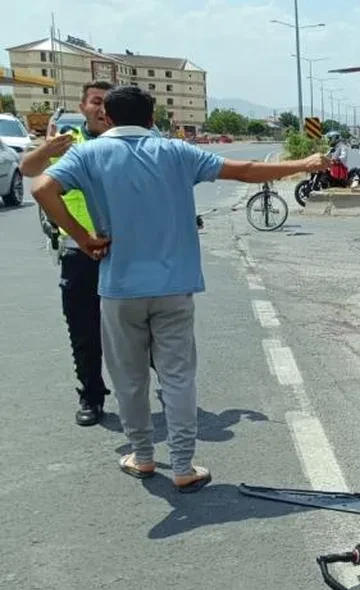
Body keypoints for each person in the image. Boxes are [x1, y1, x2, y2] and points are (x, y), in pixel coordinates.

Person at [31, 86, 330, 491]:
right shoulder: (175, 152)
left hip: (119, 287)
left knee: (129, 378)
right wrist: (306, 162)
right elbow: (244, 171)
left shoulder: (88, 153)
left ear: (110, 118)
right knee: (177, 377)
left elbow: (40, 188)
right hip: (174, 286)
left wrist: (83, 237)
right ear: (152, 119)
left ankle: (143, 456)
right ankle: (185, 467)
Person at [19, 80, 115, 427]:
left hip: (125, 252)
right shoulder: (67, 143)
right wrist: (47, 150)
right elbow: (28, 170)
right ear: (83, 106)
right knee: (85, 332)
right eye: (95, 102)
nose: (102, 108)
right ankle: (91, 396)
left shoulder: (130, 142)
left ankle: (164, 384)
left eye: (108, 102)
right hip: (79, 252)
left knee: (143, 329)